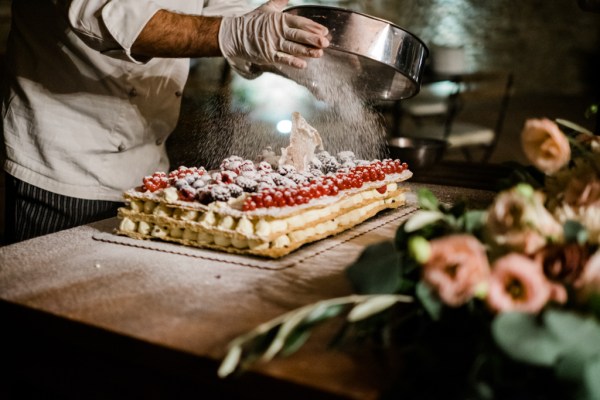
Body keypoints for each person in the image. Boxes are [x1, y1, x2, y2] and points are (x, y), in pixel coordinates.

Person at [1, 0, 330, 243]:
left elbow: (222, 12)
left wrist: (281, 46)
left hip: (148, 164)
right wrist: (236, 32)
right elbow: (100, 12)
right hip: (64, 161)